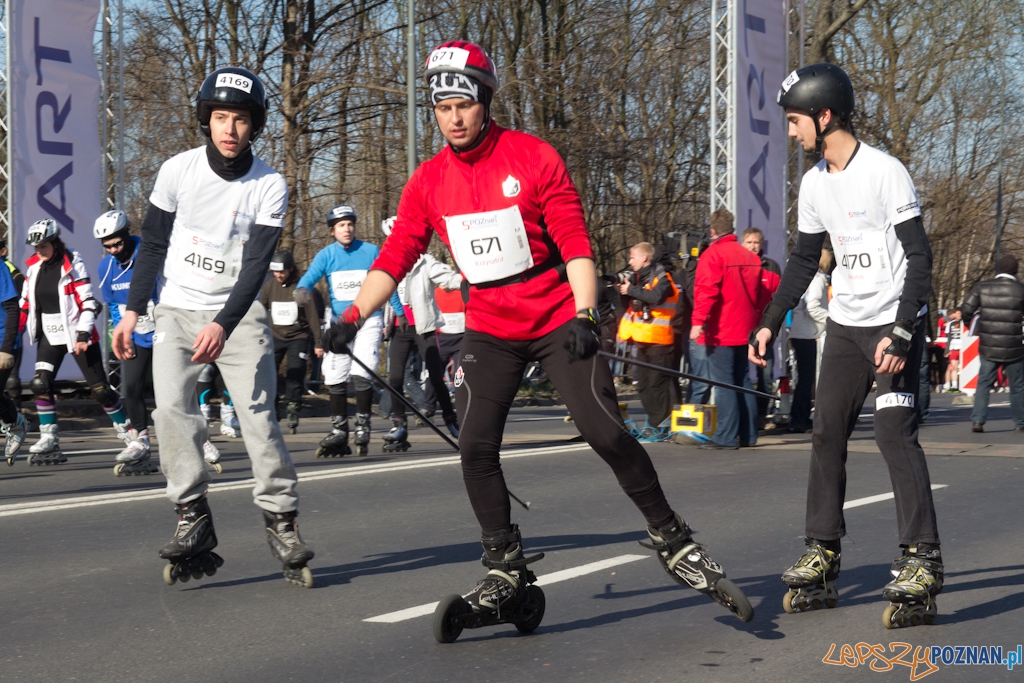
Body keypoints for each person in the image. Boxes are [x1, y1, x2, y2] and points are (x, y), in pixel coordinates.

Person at [324, 41, 753, 636]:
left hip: (556, 320)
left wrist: (585, 313)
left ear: (485, 102)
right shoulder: (428, 181)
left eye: (464, 105)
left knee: (606, 432)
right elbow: (395, 258)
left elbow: (574, 241)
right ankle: (505, 570)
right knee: (475, 445)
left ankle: (673, 538)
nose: (454, 119)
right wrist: (351, 317)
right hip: (490, 329)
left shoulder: (532, 157)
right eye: (443, 108)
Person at [750, 63, 942, 628]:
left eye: (795, 121)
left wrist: (903, 330)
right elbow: (805, 259)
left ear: (825, 115)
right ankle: (823, 551)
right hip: (845, 326)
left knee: (892, 434)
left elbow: (920, 257)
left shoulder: (885, 172)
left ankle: (922, 560)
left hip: (892, 326)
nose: (791, 132)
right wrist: (770, 320)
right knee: (826, 431)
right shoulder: (814, 183)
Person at [113, 66, 314, 588]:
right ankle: (192, 516)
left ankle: (281, 518)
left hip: (238, 315)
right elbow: (152, 247)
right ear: (207, 120)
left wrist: (224, 323)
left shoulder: (269, 184)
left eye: (241, 119)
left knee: (257, 416)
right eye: (221, 117)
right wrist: (133, 311)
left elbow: (256, 266)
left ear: (254, 126)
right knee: (171, 411)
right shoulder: (176, 171)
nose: (230, 129)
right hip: (177, 310)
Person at [20, 219, 133, 465]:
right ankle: (49, 437)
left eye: (43, 246)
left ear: (55, 242)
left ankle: (130, 436)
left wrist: (83, 334)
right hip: (50, 334)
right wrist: (13, 334)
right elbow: (25, 304)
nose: (39, 251)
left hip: (76, 332)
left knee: (101, 391)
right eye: (36, 247)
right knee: (40, 383)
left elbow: (89, 302)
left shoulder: (73, 263)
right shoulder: (33, 268)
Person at [295, 204, 384, 457]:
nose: (347, 229)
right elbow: (310, 276)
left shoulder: (370, 251)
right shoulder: (327, 255)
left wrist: (398, 312)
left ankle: (363, 426)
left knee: (361, 372)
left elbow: (384, 281)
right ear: (332, 231)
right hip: (339, 322)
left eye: (350, 224)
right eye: (341, 225)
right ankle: (340, 430)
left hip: (368, 319)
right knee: (334, 375)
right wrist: (301, 289)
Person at [691, 211, 779, 449]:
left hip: (721, 329)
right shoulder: (750, 257)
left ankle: (726, 436)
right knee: (743, 380)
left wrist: (698, 322)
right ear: (732, 229)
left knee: (724, 382)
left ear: (712, 231)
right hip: (747, 328)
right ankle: (748, 434)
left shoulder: (712, 255)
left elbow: (707, 290)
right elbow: (762, 295)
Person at [380, 216, 462, 450]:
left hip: (423, 326)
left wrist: (466, 280)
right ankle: (399, 424)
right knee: (395, 378)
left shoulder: (424, 261)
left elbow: (446, 275)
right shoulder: (387, 261)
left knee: (436, 377)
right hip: (399, 328)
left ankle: (451, 419)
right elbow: (383, 288)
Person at [95, 210, 161, 475]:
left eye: (118, 244)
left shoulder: (148, 253)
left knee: (171, 390)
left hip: (164, 329)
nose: (113, 250)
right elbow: (112, 303)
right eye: (107, 246)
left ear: (127, 235)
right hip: (135, 333)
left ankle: (199, 438)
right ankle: (139, 440)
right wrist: (121, 332)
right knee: (131, 388)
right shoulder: (106, 267)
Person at [259, 249, 322, 434]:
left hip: (298, 336)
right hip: (275, 336)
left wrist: (318, 342)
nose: (278, 275)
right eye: (275, 271)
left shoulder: (301, 287)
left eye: (282, 272)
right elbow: (260, 310)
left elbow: (312, 316)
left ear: (291, 269)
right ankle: (272, 404)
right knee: (269, 371)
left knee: (296, 370)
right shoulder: (270, 286)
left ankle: (293, 405)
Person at [617, 242, 679, 429]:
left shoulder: (663, 277)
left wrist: (631, 290)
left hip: (660, 342)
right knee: (643, 385)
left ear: (644, 258)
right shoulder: (638, 279)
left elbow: (656, 296)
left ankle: (660, 426)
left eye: (632, 257)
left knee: (657, 385)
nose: (630, 262)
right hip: (641, 341)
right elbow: (630, 308)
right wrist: (623, 291)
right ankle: (656, 424)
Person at [960, 254, 1024, 433]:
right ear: (1016, 270)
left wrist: (973, 326)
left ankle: (978, 420)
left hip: (988, 344)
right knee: (1017, 385)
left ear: (999, 269)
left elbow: (966, 308)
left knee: (984, 383)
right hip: (1014, 345)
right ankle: (1020, 423)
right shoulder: (1020, 289)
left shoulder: (983, 287)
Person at [740, 227, 782, 426]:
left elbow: (779, 298)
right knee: (741, 375)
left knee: (766, 375)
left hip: (764, 329)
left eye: (756, 242)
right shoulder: (737, 265)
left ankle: (761, 416)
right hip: (741, 328)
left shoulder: (772, 266)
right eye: (749, 242)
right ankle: (744, 418)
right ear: (743, 244)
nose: (753, 246)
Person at [787, 249, 830, 433]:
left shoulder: (806, 276)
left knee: (805, 378)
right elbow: (812, 305)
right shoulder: (817, 279)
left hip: (801, 332)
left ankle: (800, 417)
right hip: (807, 333)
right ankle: (799, 419)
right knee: (806, 379)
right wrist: (831, 318)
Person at [0, 239, 25, 409]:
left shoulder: (3, 268)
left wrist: (6, 348)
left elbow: (13, 308)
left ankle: (16, 418)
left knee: (11, 383)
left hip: (3, 340)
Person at [942, 308, 963, 392]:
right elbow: (948, 338)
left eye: (960, 313)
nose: (959, 315)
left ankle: (961, 385)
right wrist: (947, 350)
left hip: (963, 348)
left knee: (961, 368)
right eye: (958, 313)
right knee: (953, 367)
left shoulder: (964, 323)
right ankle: (954, 385)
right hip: (953, 348)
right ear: (954, 314)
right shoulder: (950, 324)